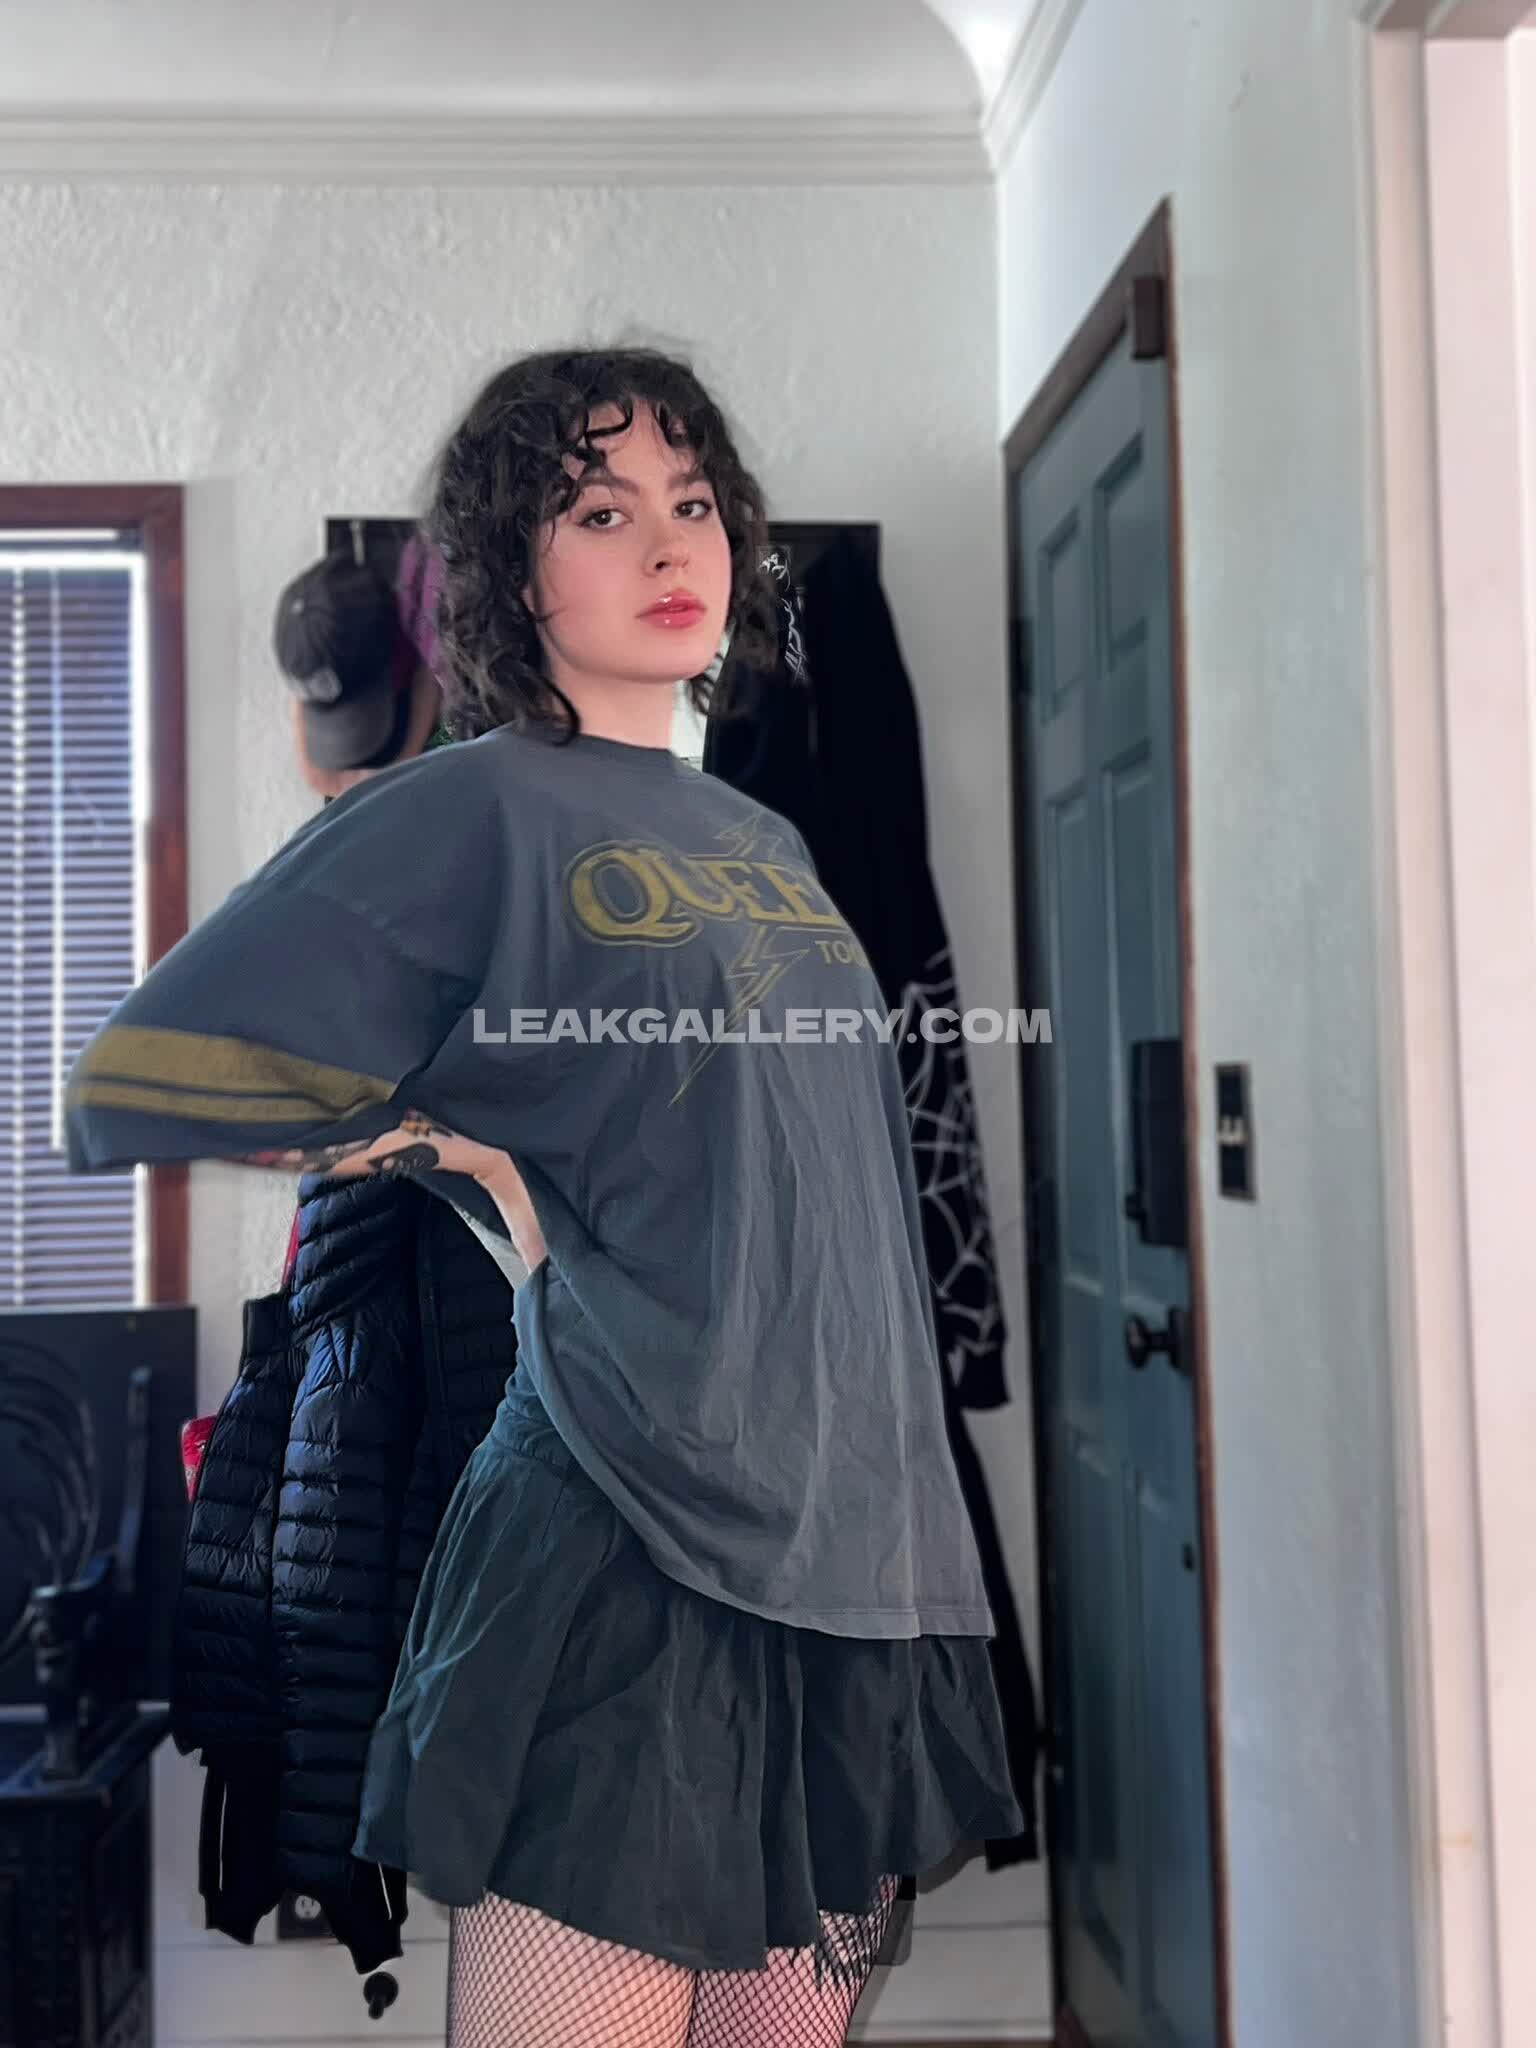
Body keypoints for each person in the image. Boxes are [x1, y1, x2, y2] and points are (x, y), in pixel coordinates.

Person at [64, 346, 1025, 2048]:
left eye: (693, 503)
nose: (668, 545)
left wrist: (507, 1142)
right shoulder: (479, 803)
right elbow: (150, 1070)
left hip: (848, 1553)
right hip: (626, 1540)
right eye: (599, 510)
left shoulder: (765, 841)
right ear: (514, 571)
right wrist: (432, 1122)